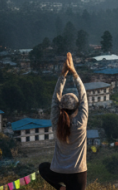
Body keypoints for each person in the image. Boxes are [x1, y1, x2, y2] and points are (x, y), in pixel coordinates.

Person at [39, 52, 89, 190]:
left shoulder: (56, 122)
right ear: (77, 108)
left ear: (61, 108)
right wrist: (74, 73)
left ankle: (60, 188)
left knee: (43, 167)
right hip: (78, 174)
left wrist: (63, 75)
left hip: (58, 172)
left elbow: (55, 98)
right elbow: (83, 95)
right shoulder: (81, 122)